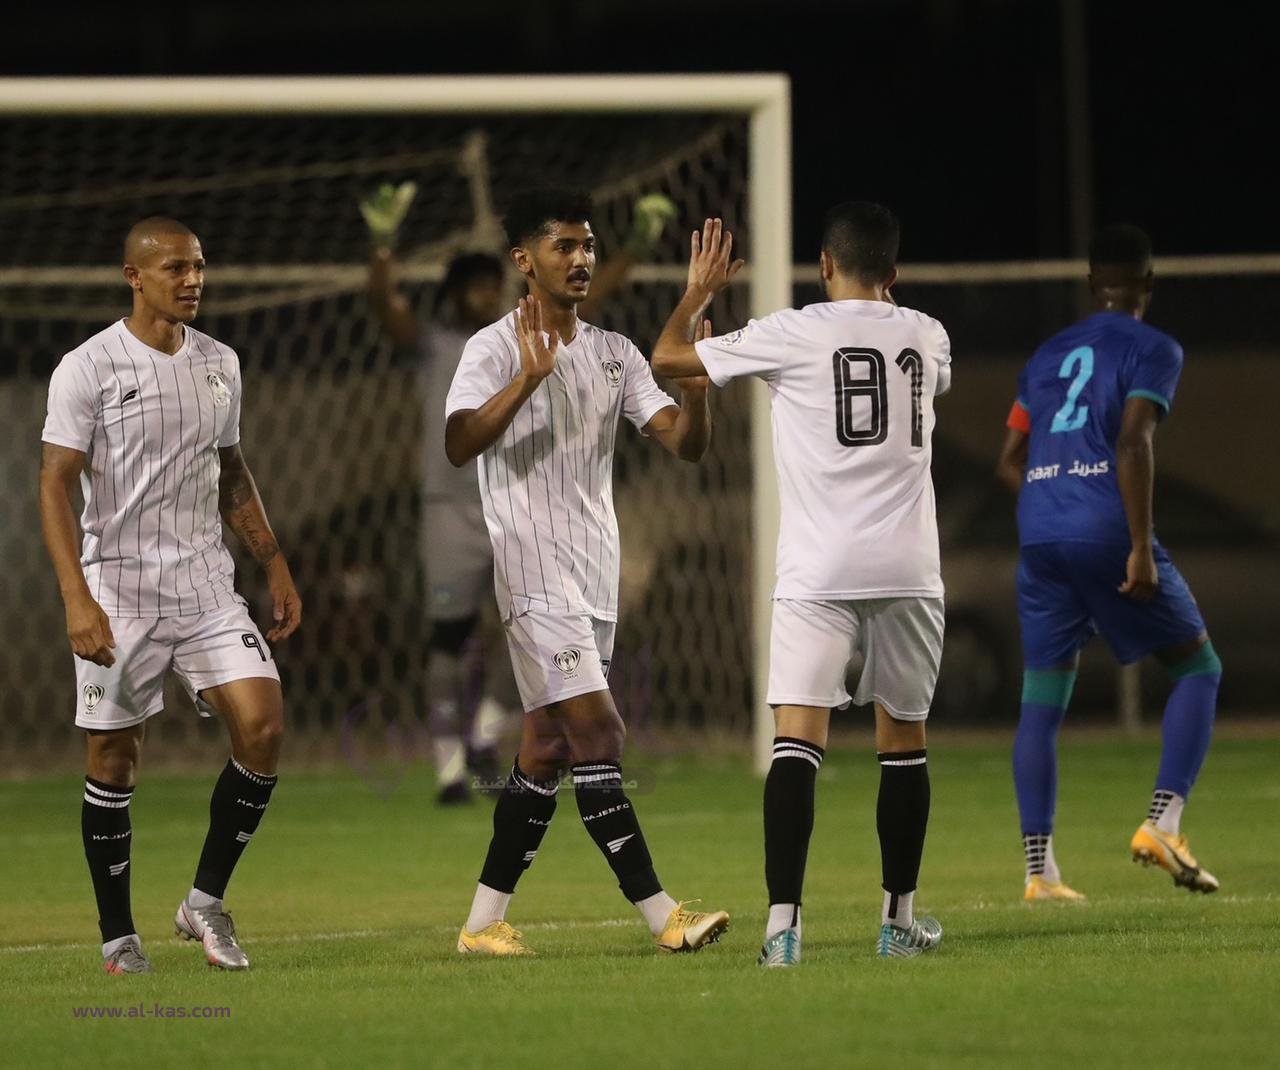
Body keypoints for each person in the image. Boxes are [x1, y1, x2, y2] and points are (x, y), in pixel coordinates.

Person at [652, 204, 951, 965]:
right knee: (903, 744)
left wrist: (698, 293)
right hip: (909, 569)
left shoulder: (792, 331)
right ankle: (897, 924)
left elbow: (668, 357)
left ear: (823, 265)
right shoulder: (928, 335)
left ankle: (783, 931)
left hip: (819, 570)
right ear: (893, 271)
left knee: (797, 743)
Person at [444, 186, 728, 956]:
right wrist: (527, 380)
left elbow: (685, 443)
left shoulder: (614, 353)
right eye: (564, 246)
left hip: (595, 576)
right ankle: (664, 916)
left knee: (546, 749)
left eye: (588, 246)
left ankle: (481, 925)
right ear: (524, 259)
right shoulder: (494, 349)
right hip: (532, 574)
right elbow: (459, 442)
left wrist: (697, 398)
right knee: (601, 731)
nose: (581, 259)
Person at [39, 217, 301, 974]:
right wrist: (76, 598)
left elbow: (232, 471)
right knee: (114, 758)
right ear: (135, 276)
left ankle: (204, 903)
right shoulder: (88, 367)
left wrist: (274, 564)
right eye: (176, 269)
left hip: (206, 586)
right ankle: (119, 936)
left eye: (199, 267)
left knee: (263, 725)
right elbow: (55, 485)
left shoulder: (221, 362)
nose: (193, 281)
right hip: (119, 591)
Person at [361, 182, 677, 804]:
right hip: (453, 512)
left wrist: (633, 251)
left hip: (535, 517)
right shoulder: (447, 347)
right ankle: (449, 767)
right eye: (474, 286)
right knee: (450, 637)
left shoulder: (540, 337)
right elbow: (385, 309)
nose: (486, 295)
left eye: (491, 286)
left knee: (533, 637)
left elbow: (588, 299)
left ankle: (485, 733)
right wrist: (381, 246)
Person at [996, 223, 1220, 900]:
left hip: (1040, 532)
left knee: (1042, 698)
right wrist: (1138, 546)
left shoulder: (1046, 355)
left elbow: (1010, 459)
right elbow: (1132, 441)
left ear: (1092, 283)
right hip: (1103, 525)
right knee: (1198, 668)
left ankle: (1040, 872)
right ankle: (1164, 823)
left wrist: (1051, 501)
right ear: (1149, 283)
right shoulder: (1155, 348)